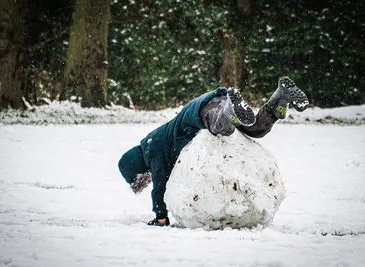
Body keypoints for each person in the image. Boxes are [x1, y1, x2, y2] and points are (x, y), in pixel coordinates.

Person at [118, 76, 309, 226]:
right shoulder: (155, 144)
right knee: (256, 129)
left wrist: (160, 217)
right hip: (216, 105)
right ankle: (280, 99)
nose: (149, 179)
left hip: (202, 110)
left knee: (221, 127)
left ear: (138, 169)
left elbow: (160, 184)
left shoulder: (153, 148)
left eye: (143, 179)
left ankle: (229, 110)